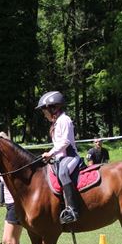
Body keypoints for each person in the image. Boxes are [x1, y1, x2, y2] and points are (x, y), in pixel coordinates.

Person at [37, 91, 82, 224]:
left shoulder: (65, 120)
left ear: (54, 108)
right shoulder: (56, 123)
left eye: (45, 112)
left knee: (63, 172)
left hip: (70, 156)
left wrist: (50, 153)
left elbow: (65, 142)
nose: (45, 115)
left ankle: (73, 210)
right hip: (60, 158)